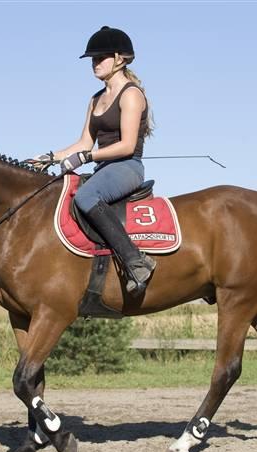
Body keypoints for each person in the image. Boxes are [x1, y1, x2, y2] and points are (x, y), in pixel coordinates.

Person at [34, 26, 156, 294]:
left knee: (85, 197)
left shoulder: (132, 94)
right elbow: (84, 143)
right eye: (92, 59)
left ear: (119, 58)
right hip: (103, 168)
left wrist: (86, 157)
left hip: (127, 166)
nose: (94, 63)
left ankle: (137, 262)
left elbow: (125, 145)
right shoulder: (95, 99)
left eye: (100, 58)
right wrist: (51, 157)